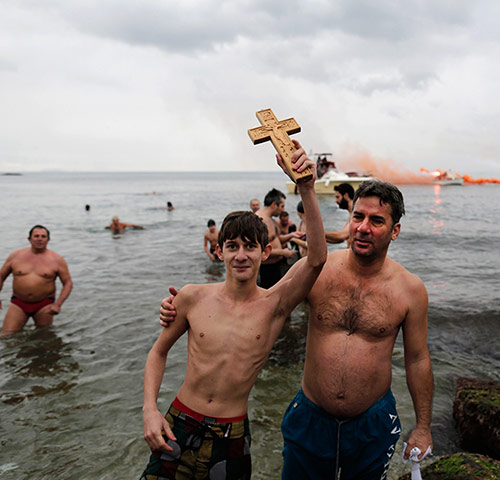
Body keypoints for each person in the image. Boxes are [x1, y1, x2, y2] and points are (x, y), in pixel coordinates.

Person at [161, 180, 434, 478]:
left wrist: (422, 427)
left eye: (377, 221)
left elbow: (417, 359)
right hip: (310, 417)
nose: (363, 227)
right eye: (358, 217)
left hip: (372, 421)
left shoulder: (410, 290)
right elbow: (261, 305)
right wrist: (189, 306)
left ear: (395, 230)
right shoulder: (319, 272)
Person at [140, 142, 325, 479]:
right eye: (232, 247)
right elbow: (158, 352)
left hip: (231, 432)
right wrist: (150, 410)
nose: (241, 255)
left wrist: (306, 187)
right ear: (220, 252)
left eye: (250, 247)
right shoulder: (192, 297)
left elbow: (316, 259)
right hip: (179, 421)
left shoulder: (274, 305)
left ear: (265, 252)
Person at [0, 225, 73, 335]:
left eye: (43, 236)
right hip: (18, 303)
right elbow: (1, 276)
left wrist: (58, 304)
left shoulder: (57, 260)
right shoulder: (16, 256)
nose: (40, 239)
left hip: (44, 305)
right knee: (6, 336)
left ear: (48, 239)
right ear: (29, 239)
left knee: (45, 339)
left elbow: (68, 283)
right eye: (36, 236)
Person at [255, 189, 297, 288]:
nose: (283, 210)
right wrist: (283, 252)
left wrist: (292, 235)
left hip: (277, 266)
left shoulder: (271, 220)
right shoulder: (258, 220)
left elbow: (276, 239)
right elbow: (259, 249)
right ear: (274, 204)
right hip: (266, 269)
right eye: (282, 206)